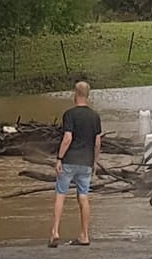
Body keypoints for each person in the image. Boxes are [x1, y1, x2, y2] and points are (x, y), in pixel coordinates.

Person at [48, 81, 102, 248]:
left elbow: (68, 138)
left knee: (61, 194)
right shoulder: (95, 116)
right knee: (83, 196)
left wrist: (59, 158)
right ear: (88, 95)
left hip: (70, 160)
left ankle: (55, 232)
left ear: (75, 94)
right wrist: (94, 162)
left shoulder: (69, 114)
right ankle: (84, 235)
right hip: (85, 163)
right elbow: (97, 142)